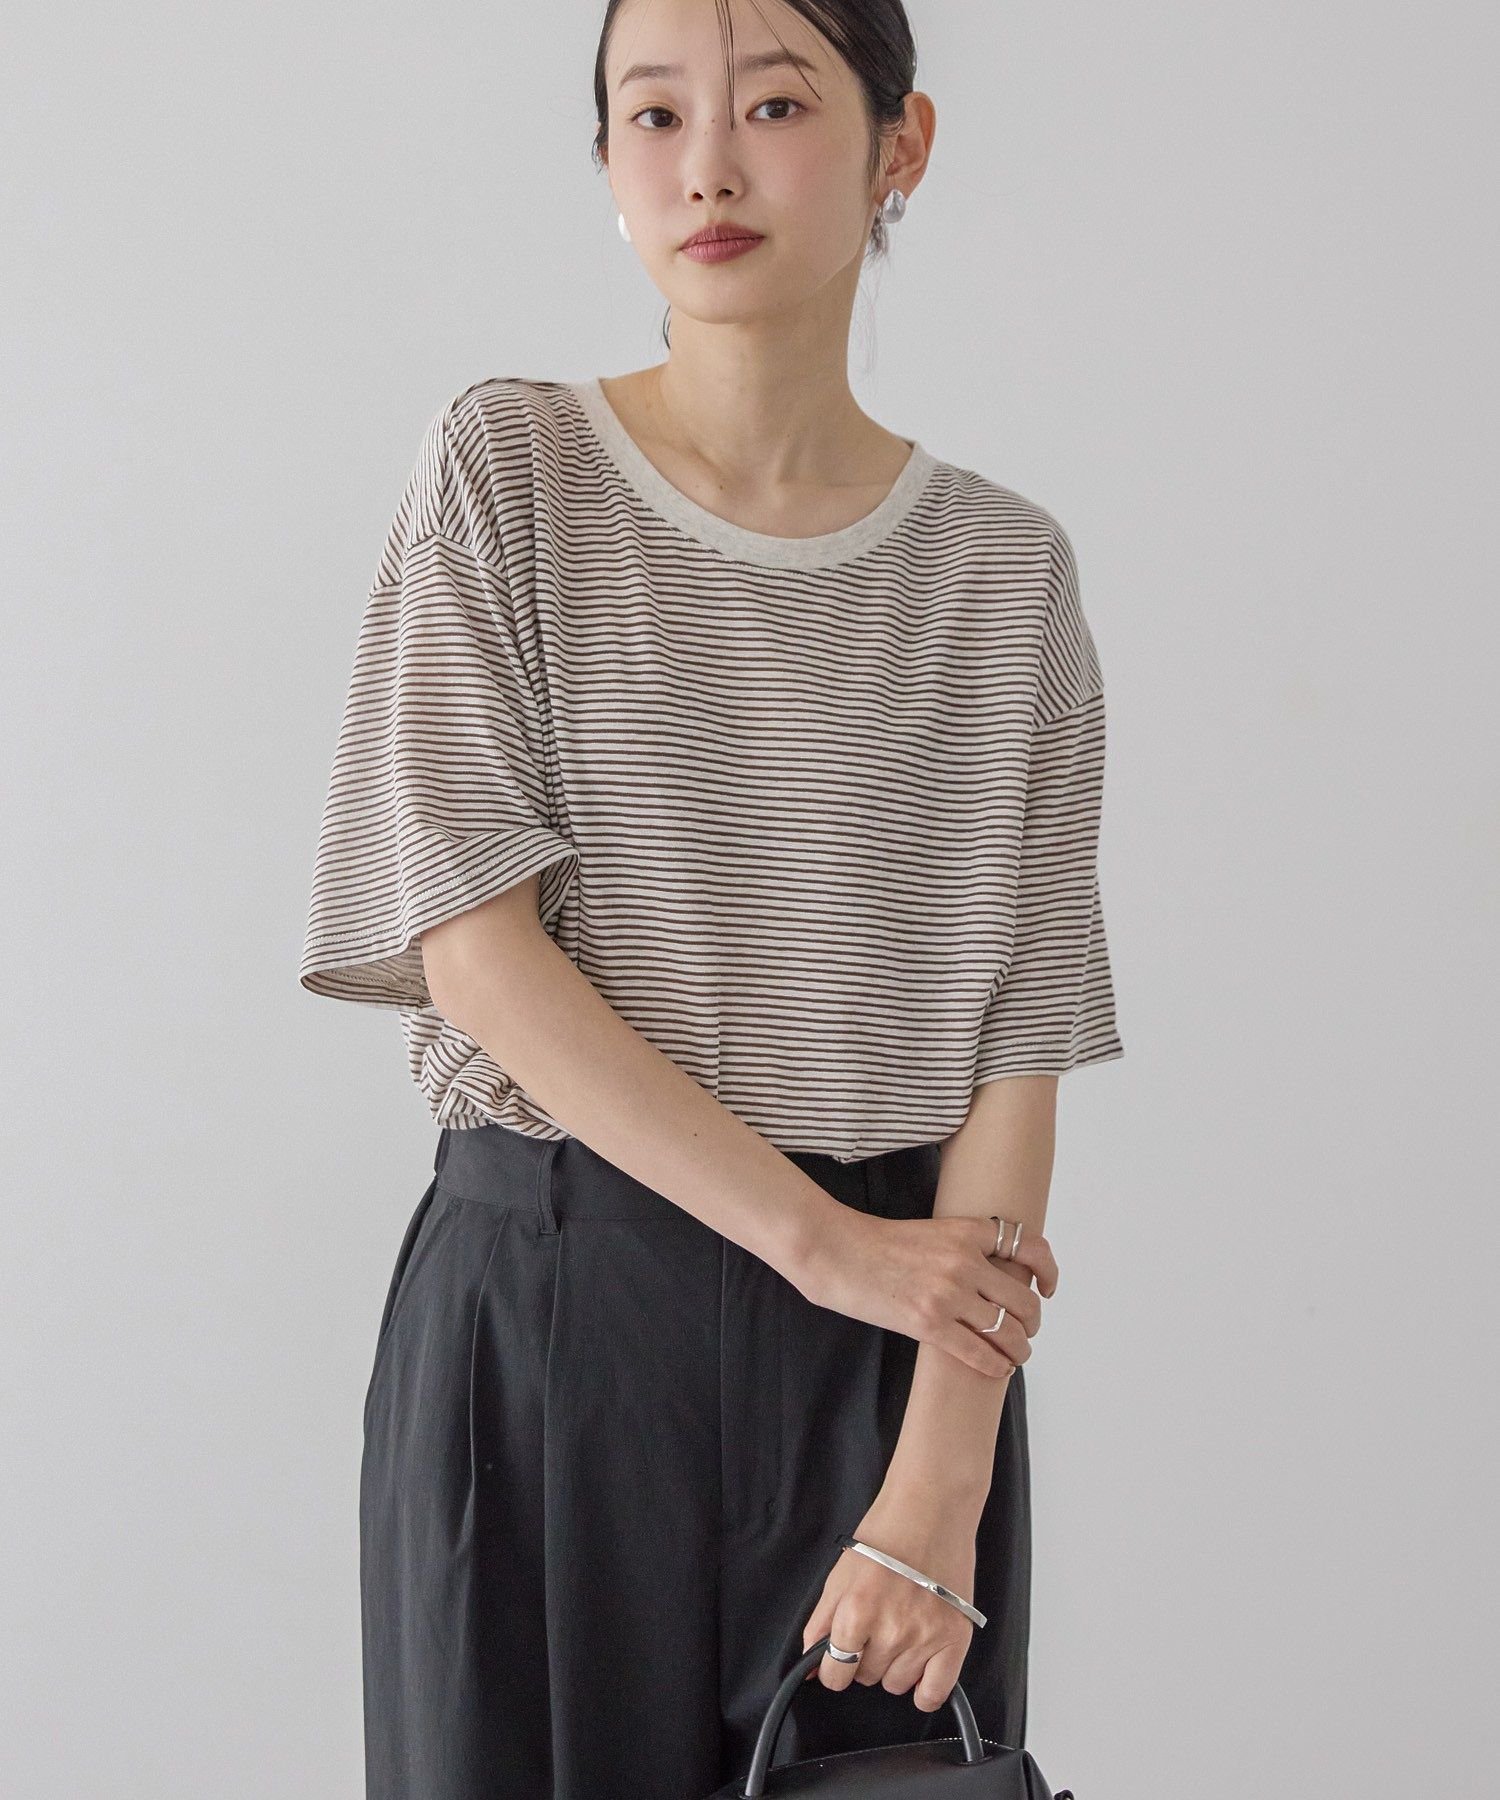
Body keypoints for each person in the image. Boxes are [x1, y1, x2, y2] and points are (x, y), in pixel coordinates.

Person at [297, 1, 1125, 1795]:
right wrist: (823, 1246)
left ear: (902, 144)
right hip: (554, 1332)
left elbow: (1022, 1041)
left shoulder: (1004, 575)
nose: (709, 168)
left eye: (775, 105)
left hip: (892, 1366)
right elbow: (476, 951)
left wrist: (941, 1479)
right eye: (654, 114)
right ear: (607, 161)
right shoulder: (509, 471)